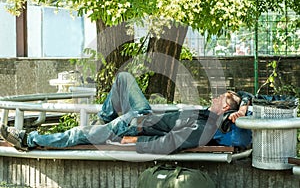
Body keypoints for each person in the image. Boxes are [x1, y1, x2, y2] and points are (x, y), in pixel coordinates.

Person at [0, 72, 251, 154]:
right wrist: (243, 105)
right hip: (141, 116)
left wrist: (135, 141)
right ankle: (101, 126)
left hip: (135, 126)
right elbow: (247, 95)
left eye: (223, 98)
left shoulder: (204, 127)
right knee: (123, 78)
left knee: (78, 133)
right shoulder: (206, 115)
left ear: (225, 107)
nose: (217, 96)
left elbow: (170, 143)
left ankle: (27, 140)